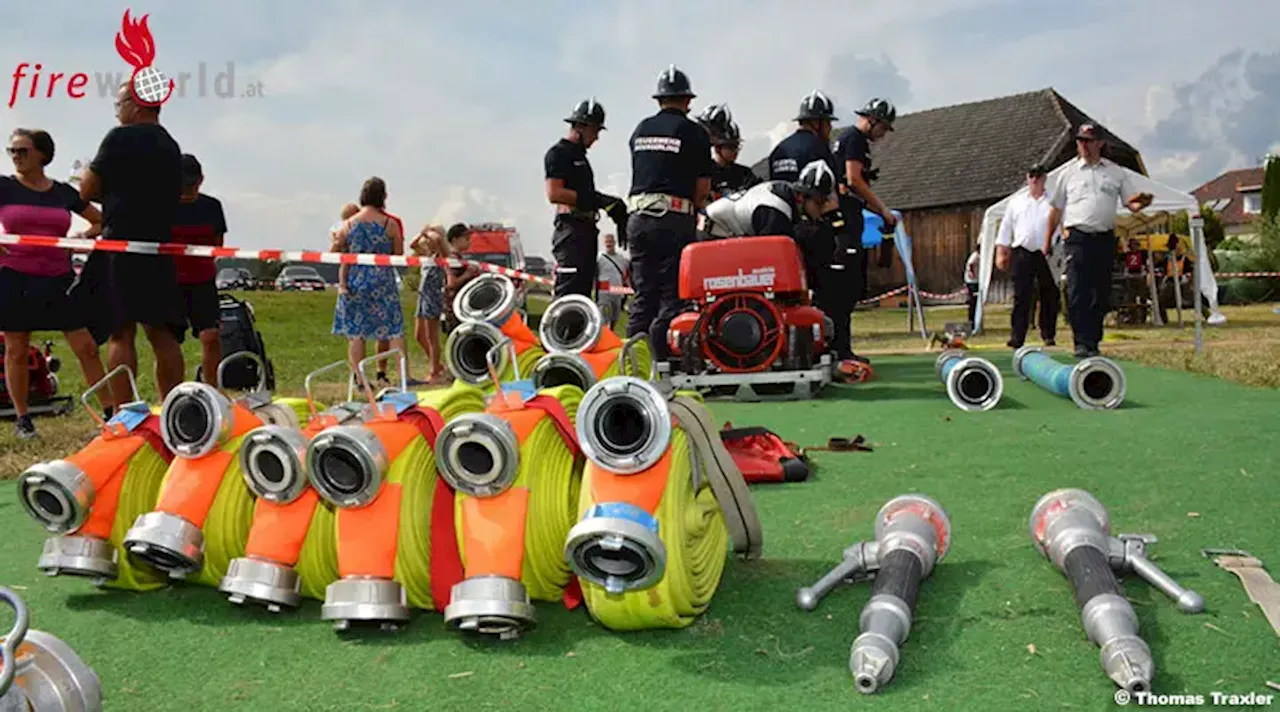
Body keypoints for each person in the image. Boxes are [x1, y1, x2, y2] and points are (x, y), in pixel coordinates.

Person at [78, 81, 185, 408]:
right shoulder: (170, 144)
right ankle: (173, 409)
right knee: (162, 333)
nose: (117, 111)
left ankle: (127, 413)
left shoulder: (118, 138)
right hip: (159, 246)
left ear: (135, 105)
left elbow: (86, 189)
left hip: (121, 243)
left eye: (119, 104)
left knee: (120, 331)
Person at [0, 128, 112, 439]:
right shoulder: (4, 187)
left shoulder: (62, 192)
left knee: (87, 348)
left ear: (42, 155)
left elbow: (100, 221)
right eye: (12, 151)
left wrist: (82, 237)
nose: (16, 157)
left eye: (22, 151)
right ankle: (23, 420)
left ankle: (109, 415)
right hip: (13, 276)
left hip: (57, 278)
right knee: (16, 350)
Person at [625, 65, 713, 361]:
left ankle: (632, 364)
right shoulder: (694, 133)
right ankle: (663, 361)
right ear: (687, 101)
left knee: (642, 296)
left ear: (659, 100)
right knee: (671, 295)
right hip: (673, 219)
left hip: (637, 218)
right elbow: (702, 188)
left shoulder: (640, 129)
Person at [1045, 123, 1153, 357]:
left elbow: (1130, 203)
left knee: (1101, 293)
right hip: (1077, 237)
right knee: (1076, 291)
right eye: (1080, 140)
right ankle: (1081, 342)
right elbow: (1055, 209)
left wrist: (1142, 203)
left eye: (1088, 140)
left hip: (1104, 237)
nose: (1083, 145)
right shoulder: (1068, 173)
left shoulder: (1115, 172)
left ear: (1099, 143)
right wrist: (1047, 242)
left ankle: (1093, 339)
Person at [544, 98, 626, 299]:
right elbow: (554, 193)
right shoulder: (559, 153)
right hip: (570, 230)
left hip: (586, 230)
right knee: (568, 293)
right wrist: (600, 200)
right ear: (581, 127)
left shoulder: (581, 157)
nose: (596, 137)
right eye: (595, 131)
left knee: (583, 295)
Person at [331, 177, 406, 387]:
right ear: (383, 196)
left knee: (357, 332)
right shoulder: (390, 224)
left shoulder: (349, 224)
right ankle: (401, 376)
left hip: (356, 279)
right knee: (393, 329)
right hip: (383, 280)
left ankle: (359, 378)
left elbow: (335, 250)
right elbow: (399, 254)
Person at [170, 154, 228, 385]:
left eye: (192, 184)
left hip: (202, 281)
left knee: (211, 336)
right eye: (183, 185)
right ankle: (171, 394)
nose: (188, 189)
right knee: (168, 343)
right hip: (169, 283)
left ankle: (212, 388)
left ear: (201, 180)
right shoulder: (162, 207)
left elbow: (218, 244)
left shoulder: (211, 207)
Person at [837, 98, 899, 298]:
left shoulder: (849, 138)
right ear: (872, 120)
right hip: (846, 215)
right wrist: (882, 209)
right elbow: (854, 180)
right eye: (883, 128)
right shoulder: (855, 140)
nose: (882, 135)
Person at [995, 164, 1060, 348]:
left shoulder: (1053, 201)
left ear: (1044, 179)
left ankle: (1048, 334)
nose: (1034, 180)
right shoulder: (1016, 202)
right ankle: (1017, 336)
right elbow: (1006, 228)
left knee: (1049, 294)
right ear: (1027, 178)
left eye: (1038, 176)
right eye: (1032, 176)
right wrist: (1001, 251)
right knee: (1021, 295)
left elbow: (1062, 223)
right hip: (1022, 251)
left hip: (1046, 252)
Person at [409, 223, 456, 384]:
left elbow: (442, 246)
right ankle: (437, 364)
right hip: (423, 296)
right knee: (419, 335)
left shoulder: (441, 255)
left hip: (433, 296)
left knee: (431, 337)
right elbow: (412, 245)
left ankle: (435, 371)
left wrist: (434, 235)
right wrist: (423, 232)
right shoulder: (427, 255)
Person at [695, 104, 758, 201]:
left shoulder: (745, 174)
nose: (735, 151)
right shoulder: (705, 171)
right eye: (731, 147)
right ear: (717, 148)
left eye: (737, 147)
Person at [441, 223, 480, 335]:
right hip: (454, 310)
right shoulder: (452, 259)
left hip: (460, 308)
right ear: (455, 239)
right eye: (466, 238)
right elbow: (451, 283)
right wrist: (468, 274)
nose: (469, 241)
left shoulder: (459, 258)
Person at [595, 233, 630, 331]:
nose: (609, 244)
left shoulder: (622, 259)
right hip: (604, 291)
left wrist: (629, 290)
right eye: (607, 242)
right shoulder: (599, 258)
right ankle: (602, 337)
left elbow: (625, 276)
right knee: (603, 317)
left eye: (610, 241)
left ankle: (611, 335)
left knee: (615, 317)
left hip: (617, 291)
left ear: (614, 242)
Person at [963, 248, 980, 328]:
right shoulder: (975, 255)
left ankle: (975, 321)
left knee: (976, 302)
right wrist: (971, 272)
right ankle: (971, 322)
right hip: (972, 281)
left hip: (976, 280)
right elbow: (971, 264)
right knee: (973, 302)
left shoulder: (980, 255)